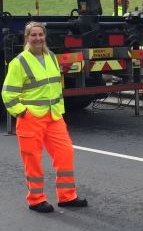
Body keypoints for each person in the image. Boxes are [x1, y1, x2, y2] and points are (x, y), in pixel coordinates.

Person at [2, 21, 88, 213]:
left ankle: (67, 196)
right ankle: (36, 199)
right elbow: (8, 93)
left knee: (65, 153)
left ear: (45, 36)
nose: (38, 38)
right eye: (33, 35)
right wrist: (22, 112)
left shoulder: (51, 57)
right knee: (32, 159)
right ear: (27, 38)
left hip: (54, 116)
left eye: (40, 34)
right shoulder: (20, 62)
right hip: (31, 119)